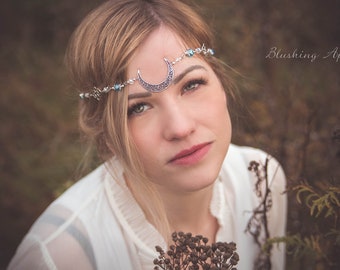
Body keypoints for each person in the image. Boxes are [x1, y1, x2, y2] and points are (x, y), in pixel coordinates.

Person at [8, 0, 287, 269]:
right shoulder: (60, 256)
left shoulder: (260, 182)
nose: (180, 127)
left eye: (191, 85)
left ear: (221, 81)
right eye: (138, 108)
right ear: (106, 133)